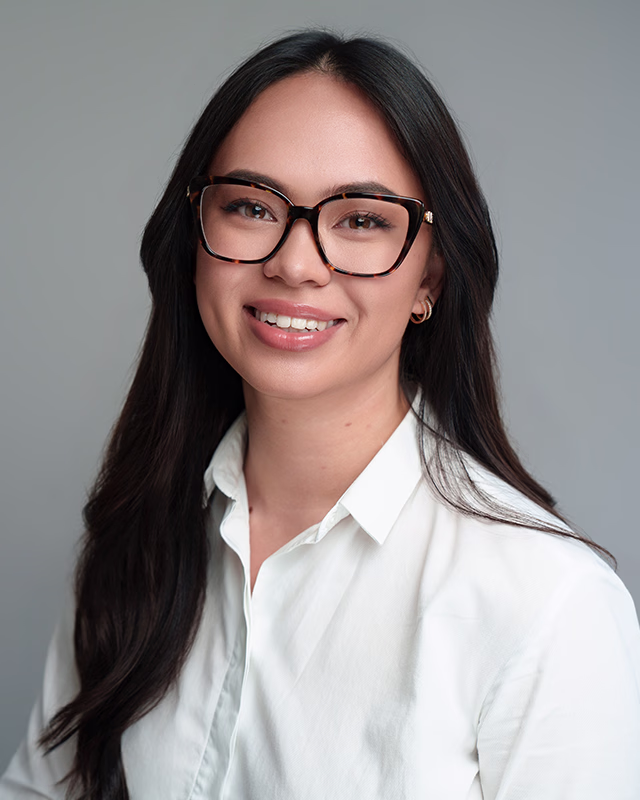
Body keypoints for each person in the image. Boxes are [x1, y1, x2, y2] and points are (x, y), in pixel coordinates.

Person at [2, 29, 639, 800]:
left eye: (363, 220)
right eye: (249, 205)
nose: (295, 263)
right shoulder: (133, 539)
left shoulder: (546, 605)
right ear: (194, 236)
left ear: (432, 275)